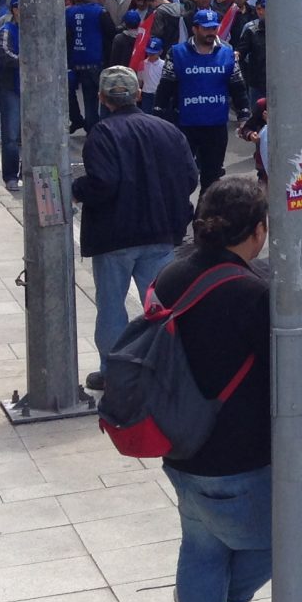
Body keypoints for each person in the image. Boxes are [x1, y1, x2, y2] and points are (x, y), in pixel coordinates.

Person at [155, 176, 289, 602]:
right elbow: (298, 365)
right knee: (288, 534)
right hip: (240, 457)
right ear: (256, 232)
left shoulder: (171, 276)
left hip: (180, 446)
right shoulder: (250, 292)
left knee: (203, 546)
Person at [73, 65, 200, 390]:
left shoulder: (103, 133)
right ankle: (164, 366)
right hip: (160, 233)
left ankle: (113, 371)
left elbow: (103, 183)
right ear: (139, 93)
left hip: (115, 237)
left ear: (101, 98)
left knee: (111, 306)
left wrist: (76, 189)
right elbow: (190, 178)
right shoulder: (167, 130)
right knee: (160, 305)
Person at [160, 7, 245, 191]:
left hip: (216, 126)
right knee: (182, 175)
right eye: (206, 28)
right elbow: (165, 86)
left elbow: (237, 86)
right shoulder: (176, 53)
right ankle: (181, 212)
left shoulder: (227, 53)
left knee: (212, 178)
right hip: (185, 125)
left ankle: (203, 217)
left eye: (213, 28)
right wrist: (158, 114)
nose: (210, 32)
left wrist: (244, 114)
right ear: (195, 29)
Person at [65, 0, 112, 131]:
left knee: (69, 92)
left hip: (74, 61)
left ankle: (78, 119)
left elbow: (66, 37)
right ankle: (91, 128)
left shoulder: (69, 12)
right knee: (91, 97)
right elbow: (110, 35)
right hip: (94, 61)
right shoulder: (100, 12)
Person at [0, 0, 23, 190]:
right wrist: (25, 62)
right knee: (11, 135)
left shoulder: (38, 29)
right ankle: (10, 175)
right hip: (10, 86)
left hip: (32, 89)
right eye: (20, 6)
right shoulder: (7, 29)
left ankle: (27, 170)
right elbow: (2, 53)